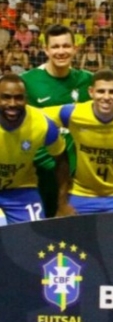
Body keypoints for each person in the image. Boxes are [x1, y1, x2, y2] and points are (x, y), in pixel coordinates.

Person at [48, 70, 113, 214]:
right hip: (82, 193)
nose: (106, 97)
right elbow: (36, 117)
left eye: (112, 92)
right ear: (91, 92)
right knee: (73, 235)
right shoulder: (72, 114)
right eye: (101, 91)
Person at [21, 24, 93, 218]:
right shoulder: (27, 81)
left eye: (66, 46)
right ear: (46, 49)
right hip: (41, 173)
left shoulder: (89, 81)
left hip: (79, 176)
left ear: (75, 49)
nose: (61, 52)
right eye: (55, 47)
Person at [0, 75, 69, 224]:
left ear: (26, 99)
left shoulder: (43, 125)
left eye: (19, 98)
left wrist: (62, 203)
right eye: (5, 97)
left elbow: (61, 159)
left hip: (21, 188)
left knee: (34, 238)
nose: (12, 103)